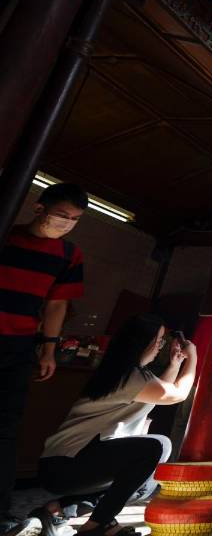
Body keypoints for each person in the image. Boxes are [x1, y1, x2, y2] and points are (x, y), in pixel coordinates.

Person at [30, 313, 196, 536]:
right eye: (158, 341)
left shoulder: (131, 375)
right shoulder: (128, 377)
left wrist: (176, 363)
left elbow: (159, 391)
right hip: (64, 466)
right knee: (158, 446)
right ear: (141, 343)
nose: (159, 347)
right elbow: (176, 394)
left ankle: (57, 510)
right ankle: (98, 525)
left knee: (145, 485)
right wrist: (193, 357)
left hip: (73, 464)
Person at [0, 183, 88, 536]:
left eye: (75, 219)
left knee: (6, 430)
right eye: (62, 215)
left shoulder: (69, 254)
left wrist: (49, 349)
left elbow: (56, 304)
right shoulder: (7, 234)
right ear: (39, 209)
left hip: (19, 346)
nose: (67, 223)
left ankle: (1, 512)